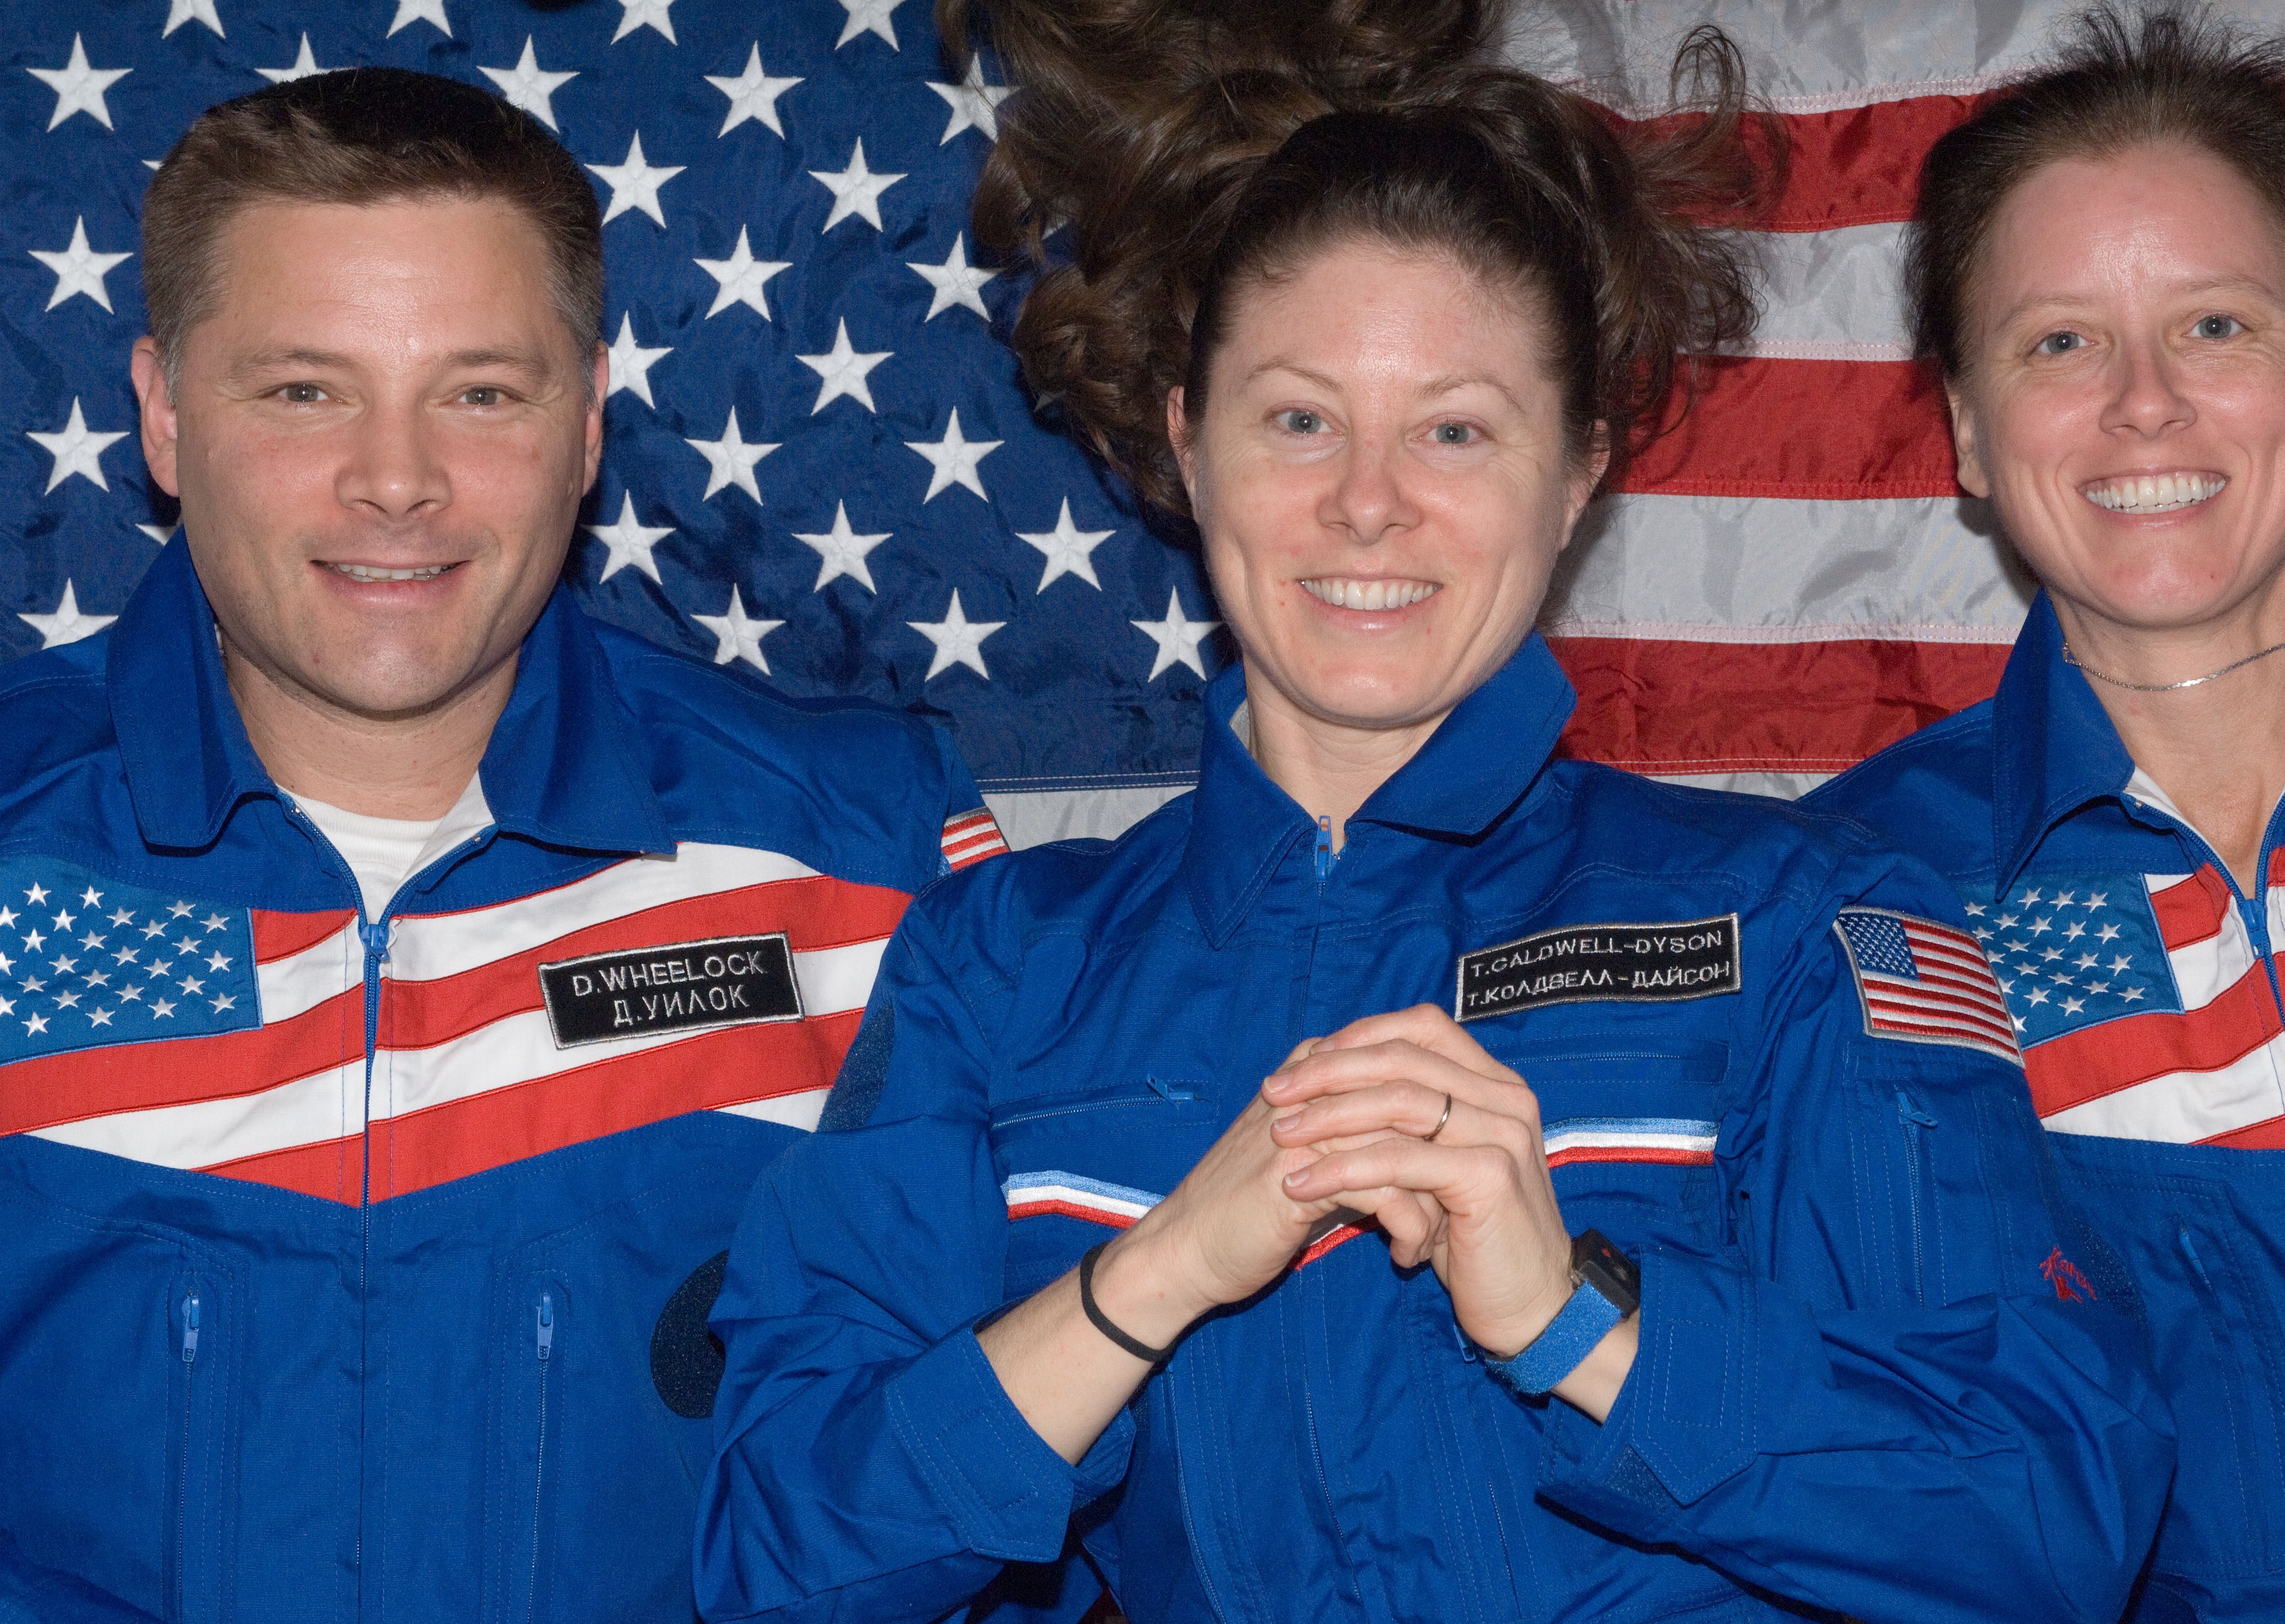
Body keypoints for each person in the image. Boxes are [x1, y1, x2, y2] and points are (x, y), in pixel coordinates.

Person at [693, 7, 2174, 1621]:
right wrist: (1160, 1269)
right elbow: (782, 1561)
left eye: (1457, 429)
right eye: (1299, 419)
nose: (1368, 502)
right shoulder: (1003, 969)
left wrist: (1581, 1317)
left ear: (1577, 475)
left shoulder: (1806, 922)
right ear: (1191, 449)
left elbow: (2047, 1517)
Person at [0, 68, 1004, 1624]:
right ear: (164, 413)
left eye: (479, 391)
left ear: (587, 421)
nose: (395, 479)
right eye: (302, 390)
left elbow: (986, 1488)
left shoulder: (864, 869)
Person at [1807, 8, 2285, 1619]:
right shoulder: (1864, 897)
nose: (2145, 404)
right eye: (2059, 342)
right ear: (1966, 432)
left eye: (2219, 325)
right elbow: (1896, 1456)